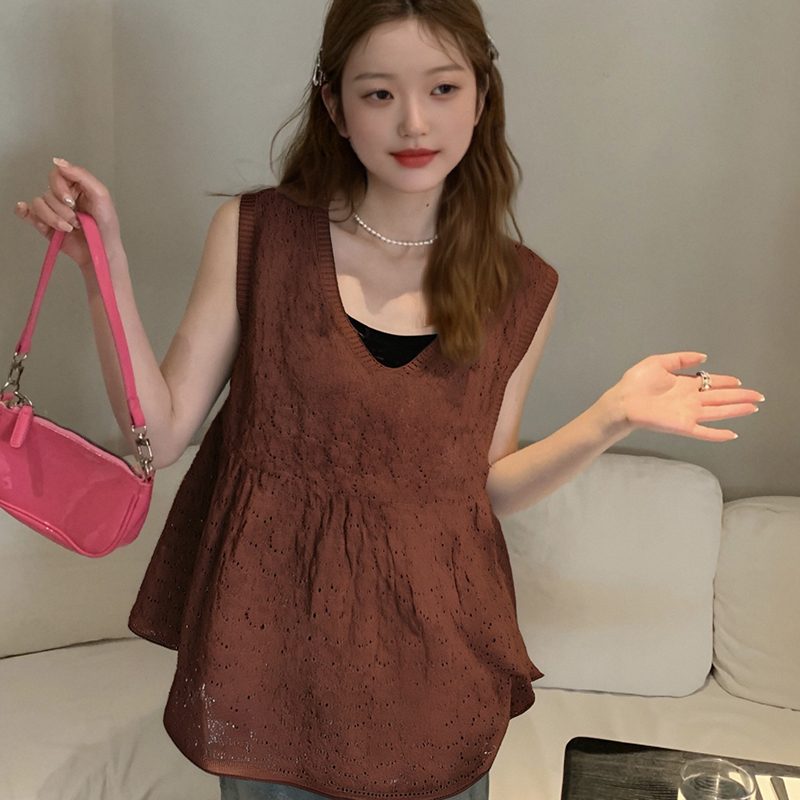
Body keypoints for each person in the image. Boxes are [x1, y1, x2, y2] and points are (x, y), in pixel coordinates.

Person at [12, 1, 764, 798]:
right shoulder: (259, 234)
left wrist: (611, 415)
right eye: (379, 93)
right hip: (265, 654)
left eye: (442, 89)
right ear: (335, 107)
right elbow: (159, 434)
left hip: (435, 660)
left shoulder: (521, 287)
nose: (414, 122)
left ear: (481, 97)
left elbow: (484, 485)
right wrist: (104, 268)